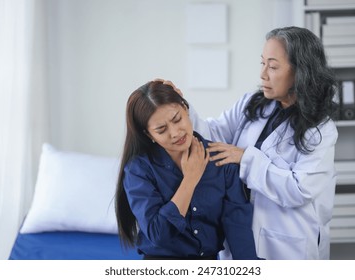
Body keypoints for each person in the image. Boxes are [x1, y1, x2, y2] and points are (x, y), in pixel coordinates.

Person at [164, 26, 339, 260]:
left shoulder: (320, 129)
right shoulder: (253, 103)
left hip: (288, 243)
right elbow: (213, 134)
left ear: (300, 73)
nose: (263, 74)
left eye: (273, 66)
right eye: (263, 63)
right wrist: (181, 106)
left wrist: (245, 158)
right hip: (241, 234)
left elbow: (299, 189)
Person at [115, 80, 258, 260]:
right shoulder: (139, 170)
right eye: (161, 130)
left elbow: (238, 231)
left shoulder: (222, 160)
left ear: (185, 108)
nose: (175, 133)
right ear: (148, 134)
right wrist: (190, 179)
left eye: (177, 119)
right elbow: (159, 235)